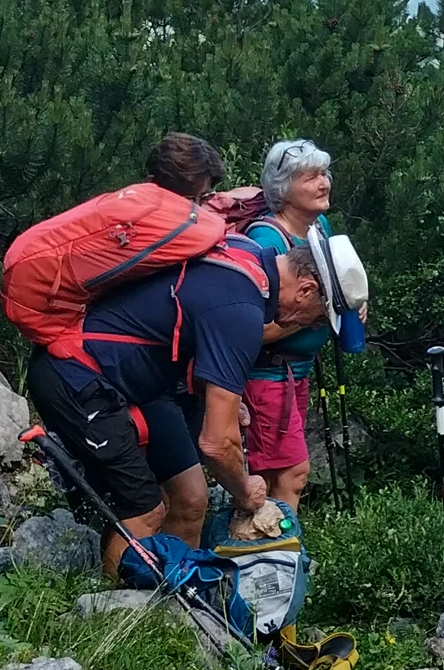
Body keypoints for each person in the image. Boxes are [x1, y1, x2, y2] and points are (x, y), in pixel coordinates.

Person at [27, 135, 329, 572]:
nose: (305, 322)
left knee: (191, 498)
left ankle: (168, 609)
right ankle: (111, 614)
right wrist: (245, 490)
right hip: (78, 377)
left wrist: (223, 402)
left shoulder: (244, 253)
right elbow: (217, 442)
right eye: (316, 315)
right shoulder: (243, 309)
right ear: (306, 289)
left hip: (134, 383)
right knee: (147, 509)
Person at [244, 139, 337, 518]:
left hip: (294, 374)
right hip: (267, 375)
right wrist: (314, 316)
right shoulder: (265, 242)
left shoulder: (320, 228)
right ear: (283, 189)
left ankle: (277, 552)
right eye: (310, 176)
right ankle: (277, 557)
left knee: (280, 471)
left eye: (324, 173)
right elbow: (249, 330)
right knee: (288, 473)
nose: (323, 183)